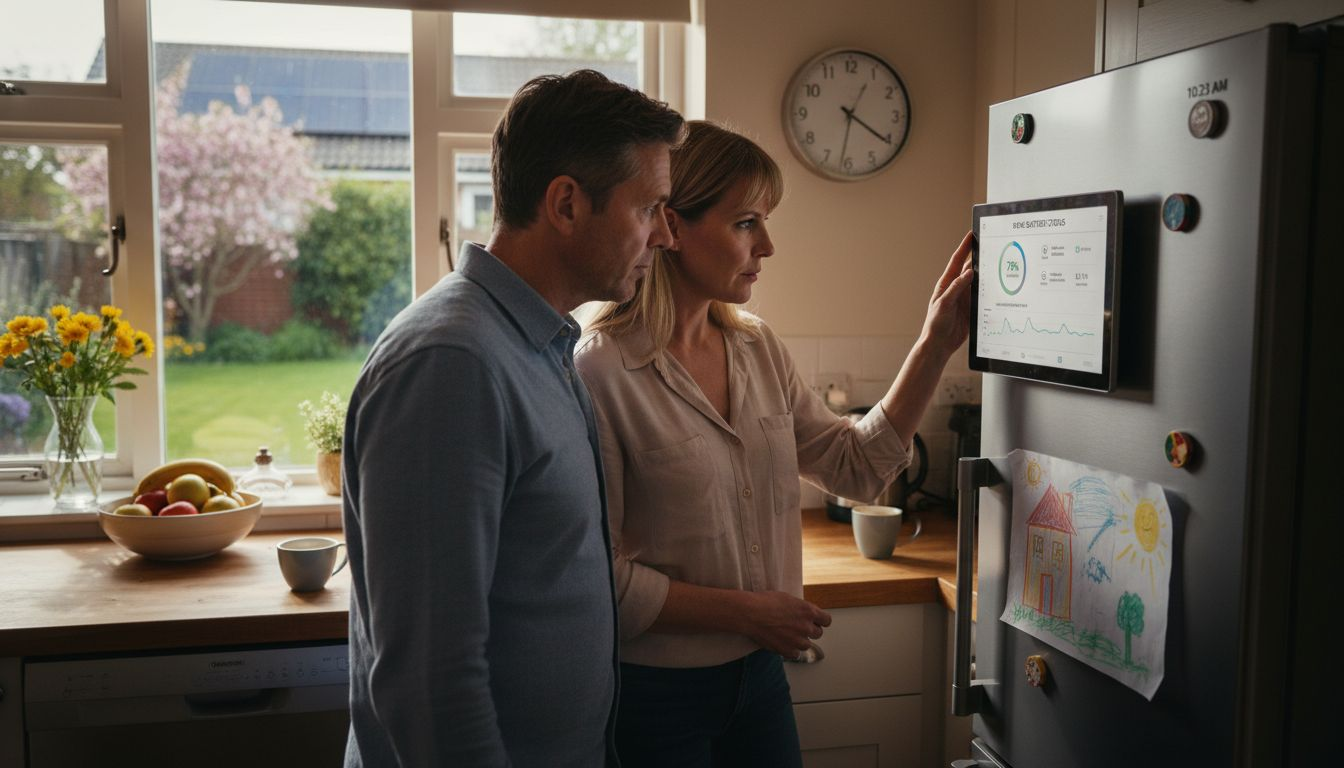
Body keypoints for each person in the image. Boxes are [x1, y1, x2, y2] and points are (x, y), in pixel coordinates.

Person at [575, 121, 973, 766]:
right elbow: (599, 580)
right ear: (672, 227)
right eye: (746, 223)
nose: (767, 245)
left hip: (759, 680)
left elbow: (856, 469)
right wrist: (746, 613)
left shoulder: (758, 348)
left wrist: (936, 342)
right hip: (653, 695)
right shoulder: (600, 373)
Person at [341, 70, 683, 767]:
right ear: (565, 204)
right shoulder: (451, 364)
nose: (666, 237)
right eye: (649, 208)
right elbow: (431, 684)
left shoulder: (538, 342)